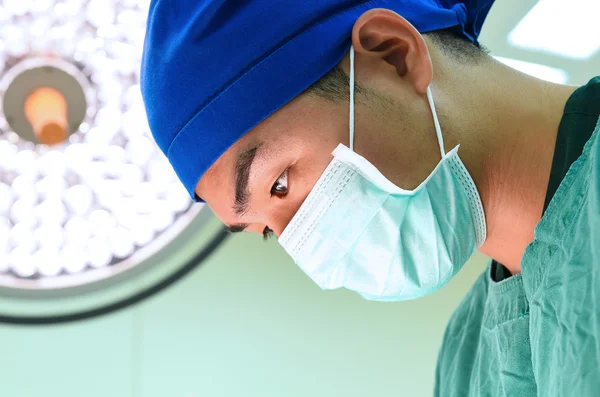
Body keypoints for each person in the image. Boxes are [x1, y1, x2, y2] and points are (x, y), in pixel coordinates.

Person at [141, 0, 599, 395]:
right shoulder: (469, 363)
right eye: (267, 231)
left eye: (279, 184)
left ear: (392, 54)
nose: (307, 249)